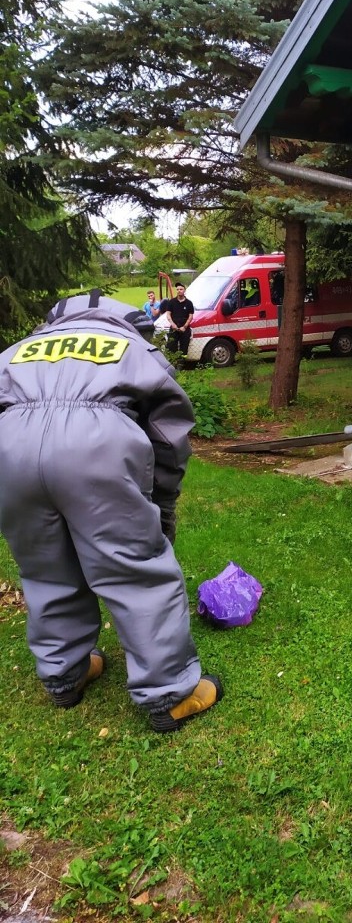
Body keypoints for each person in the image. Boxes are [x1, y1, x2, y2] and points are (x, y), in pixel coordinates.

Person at [0, 290, 222, 731]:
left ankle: (66, 675)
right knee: (136, 572)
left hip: (10, 449)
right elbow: (167, 433)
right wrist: (162, 501)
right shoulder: (135, 350)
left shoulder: (16, 352)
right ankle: (170, 695)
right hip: (96, 447)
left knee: (45, 567)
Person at [161, 283, 195, 357]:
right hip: (174, 328)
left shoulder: (189, 303)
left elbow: (190, 316)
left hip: (185, 329)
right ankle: (173, 364)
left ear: (184, 290)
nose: (179, 291)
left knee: (184, 349)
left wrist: (185, 327)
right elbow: (168, 314)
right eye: (177, 289)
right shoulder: (171, 302)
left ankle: (181, 364)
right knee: (171, 347)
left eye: (181, 289)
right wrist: (173, 325)